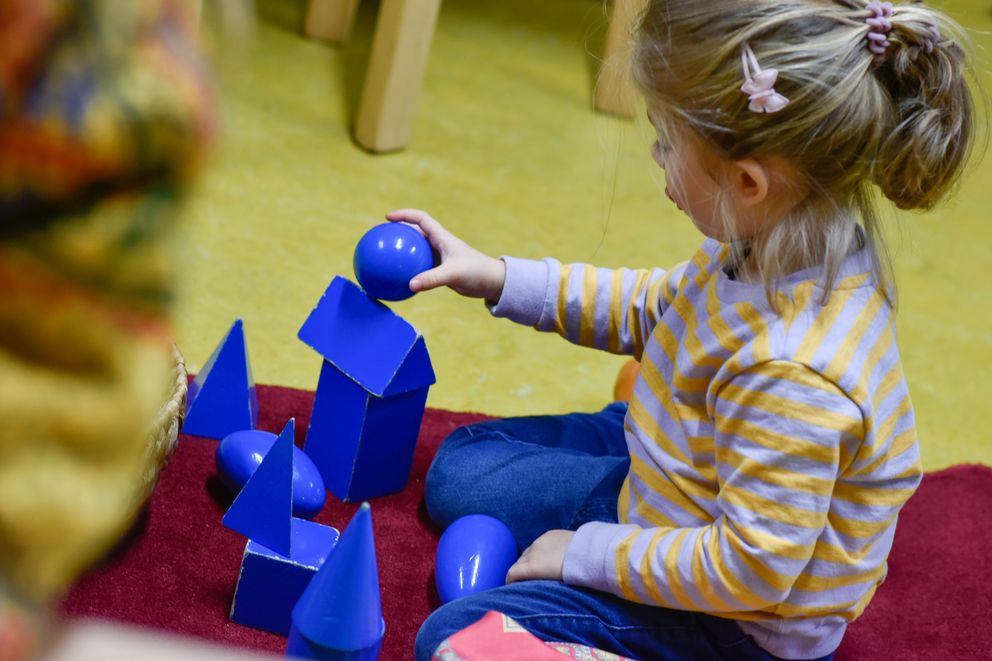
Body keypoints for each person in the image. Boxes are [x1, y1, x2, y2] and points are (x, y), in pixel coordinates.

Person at [399, 1, 978, 659]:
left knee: (452, 638)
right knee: (459, 471)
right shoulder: (774, 238)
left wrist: (583, 552)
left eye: (668, 140)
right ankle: (657, 439)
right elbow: (658, 308)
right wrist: (499, 277)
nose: (656, 154)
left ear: (749, 181)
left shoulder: (797, 373)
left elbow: (750, 570)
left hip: (730, 615)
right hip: (677, 486)